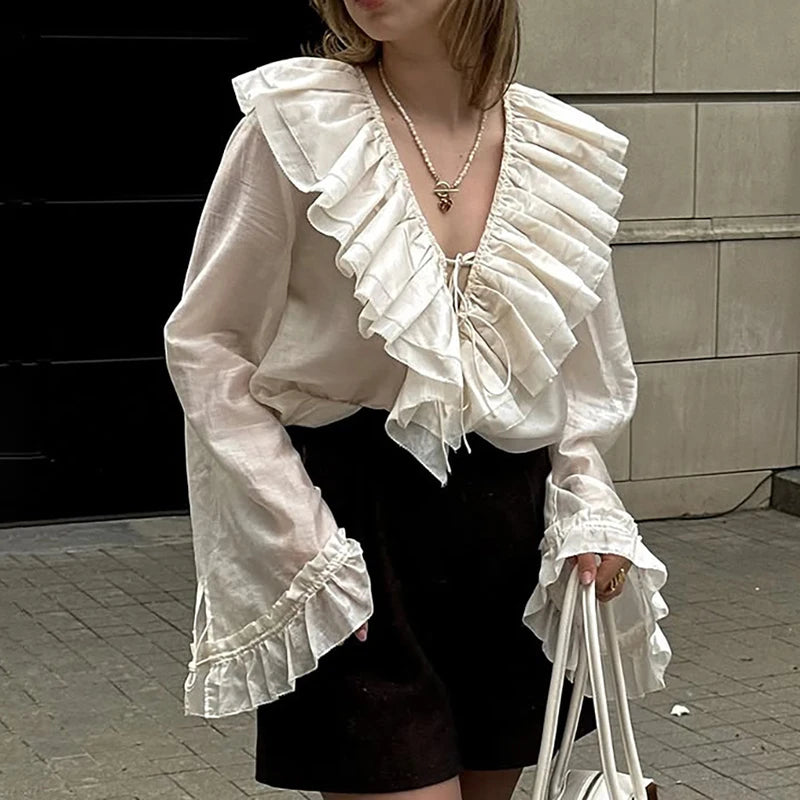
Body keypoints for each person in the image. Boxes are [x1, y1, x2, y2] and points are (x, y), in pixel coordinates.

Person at [162, 0, 672, 797]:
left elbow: (573, 371)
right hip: (355, 536)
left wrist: (587, 503)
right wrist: (300, 540)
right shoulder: (296, 125)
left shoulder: (555, 148)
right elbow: (207, 345)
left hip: (510, 536)